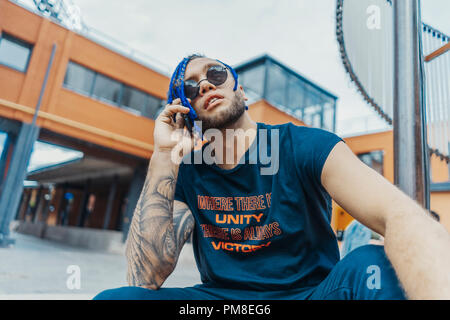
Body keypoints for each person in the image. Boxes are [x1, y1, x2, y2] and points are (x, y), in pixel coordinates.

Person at [94, 54, 450, 300]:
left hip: (312, 294)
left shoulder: (304, 146)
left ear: (241, 92)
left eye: (215, 74)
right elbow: (146, 277)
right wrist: (163, 156)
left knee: (376, 265)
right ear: (185, 110)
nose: (203, 85)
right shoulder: (185, 170)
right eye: (188, 87)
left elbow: (398, 214)